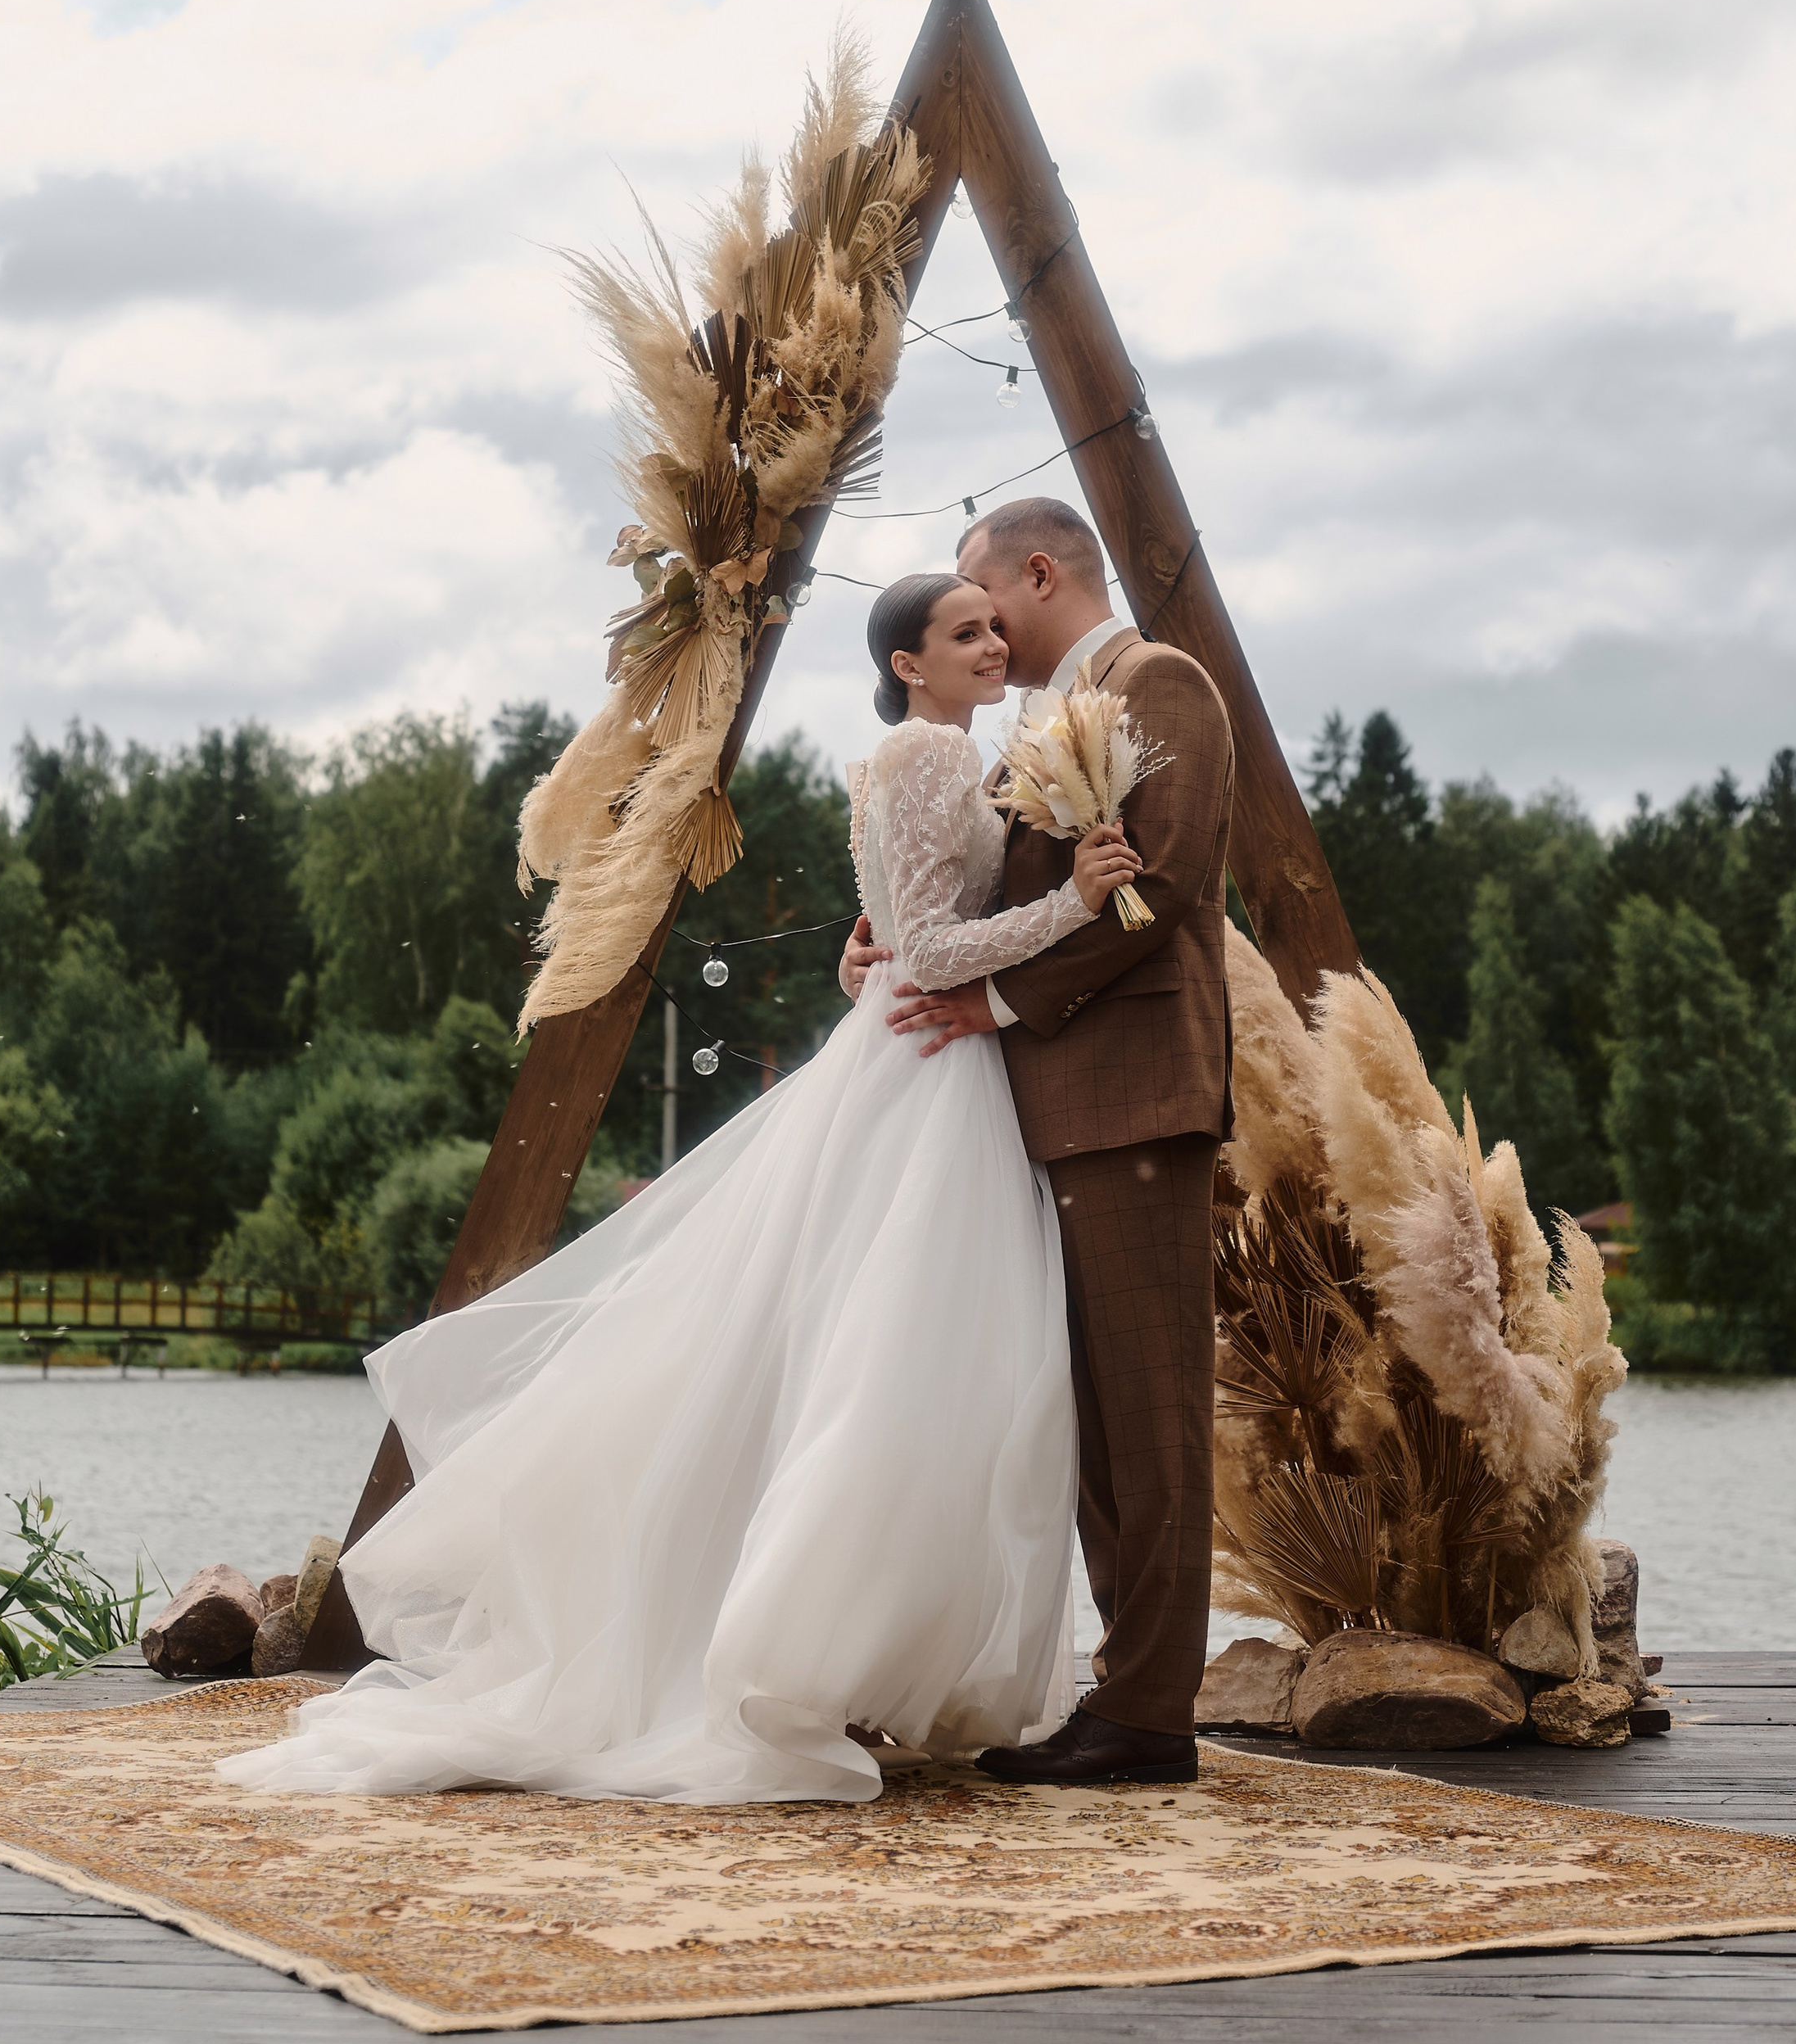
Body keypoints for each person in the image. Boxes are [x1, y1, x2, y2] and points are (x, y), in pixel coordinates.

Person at [217, 569, 1142, 1807]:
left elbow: (889, 933)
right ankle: (809, 1661)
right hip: (929, 1078)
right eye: (964, 632)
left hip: (917, 1071)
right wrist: (1077, 903)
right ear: (910, 665)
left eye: (993, 626)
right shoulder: (925, 756)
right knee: (900, 1371)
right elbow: (926, 954)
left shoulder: (939, 764)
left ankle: (850, 1657)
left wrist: (880, 946)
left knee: (880, 1367)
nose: (992, 643)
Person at [840, 496, 1235, 1790]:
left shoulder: (1153, 683)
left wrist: (996, 1001)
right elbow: (985, 896)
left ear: (1038, 573)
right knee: (1096, 1425)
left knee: (1152, 1416)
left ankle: (1150, 1713)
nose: (978, 624)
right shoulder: (1026, 726)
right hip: (1040, 1109)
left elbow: (1156, 888)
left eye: (977, 594)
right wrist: (891, 946)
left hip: (1131, 1098)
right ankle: (1125, 1694)